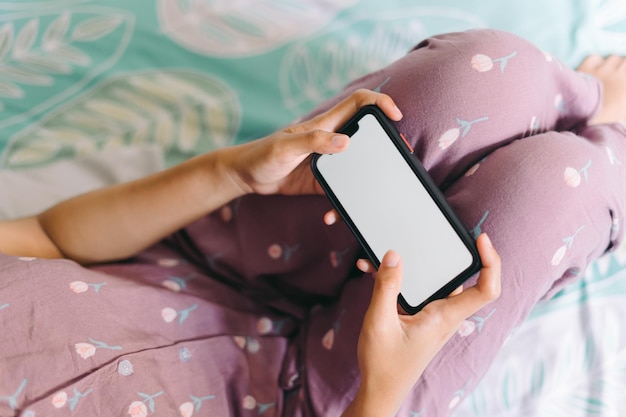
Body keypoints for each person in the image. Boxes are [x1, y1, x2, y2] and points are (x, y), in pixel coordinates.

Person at [0, 28, 624, 416]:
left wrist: (234, 174)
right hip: (338, 392)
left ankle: (584, 101)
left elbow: (50, 238)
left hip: (206, 251)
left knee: (482, 73)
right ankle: (610, 139)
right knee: (558, 186)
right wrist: (384, 389)